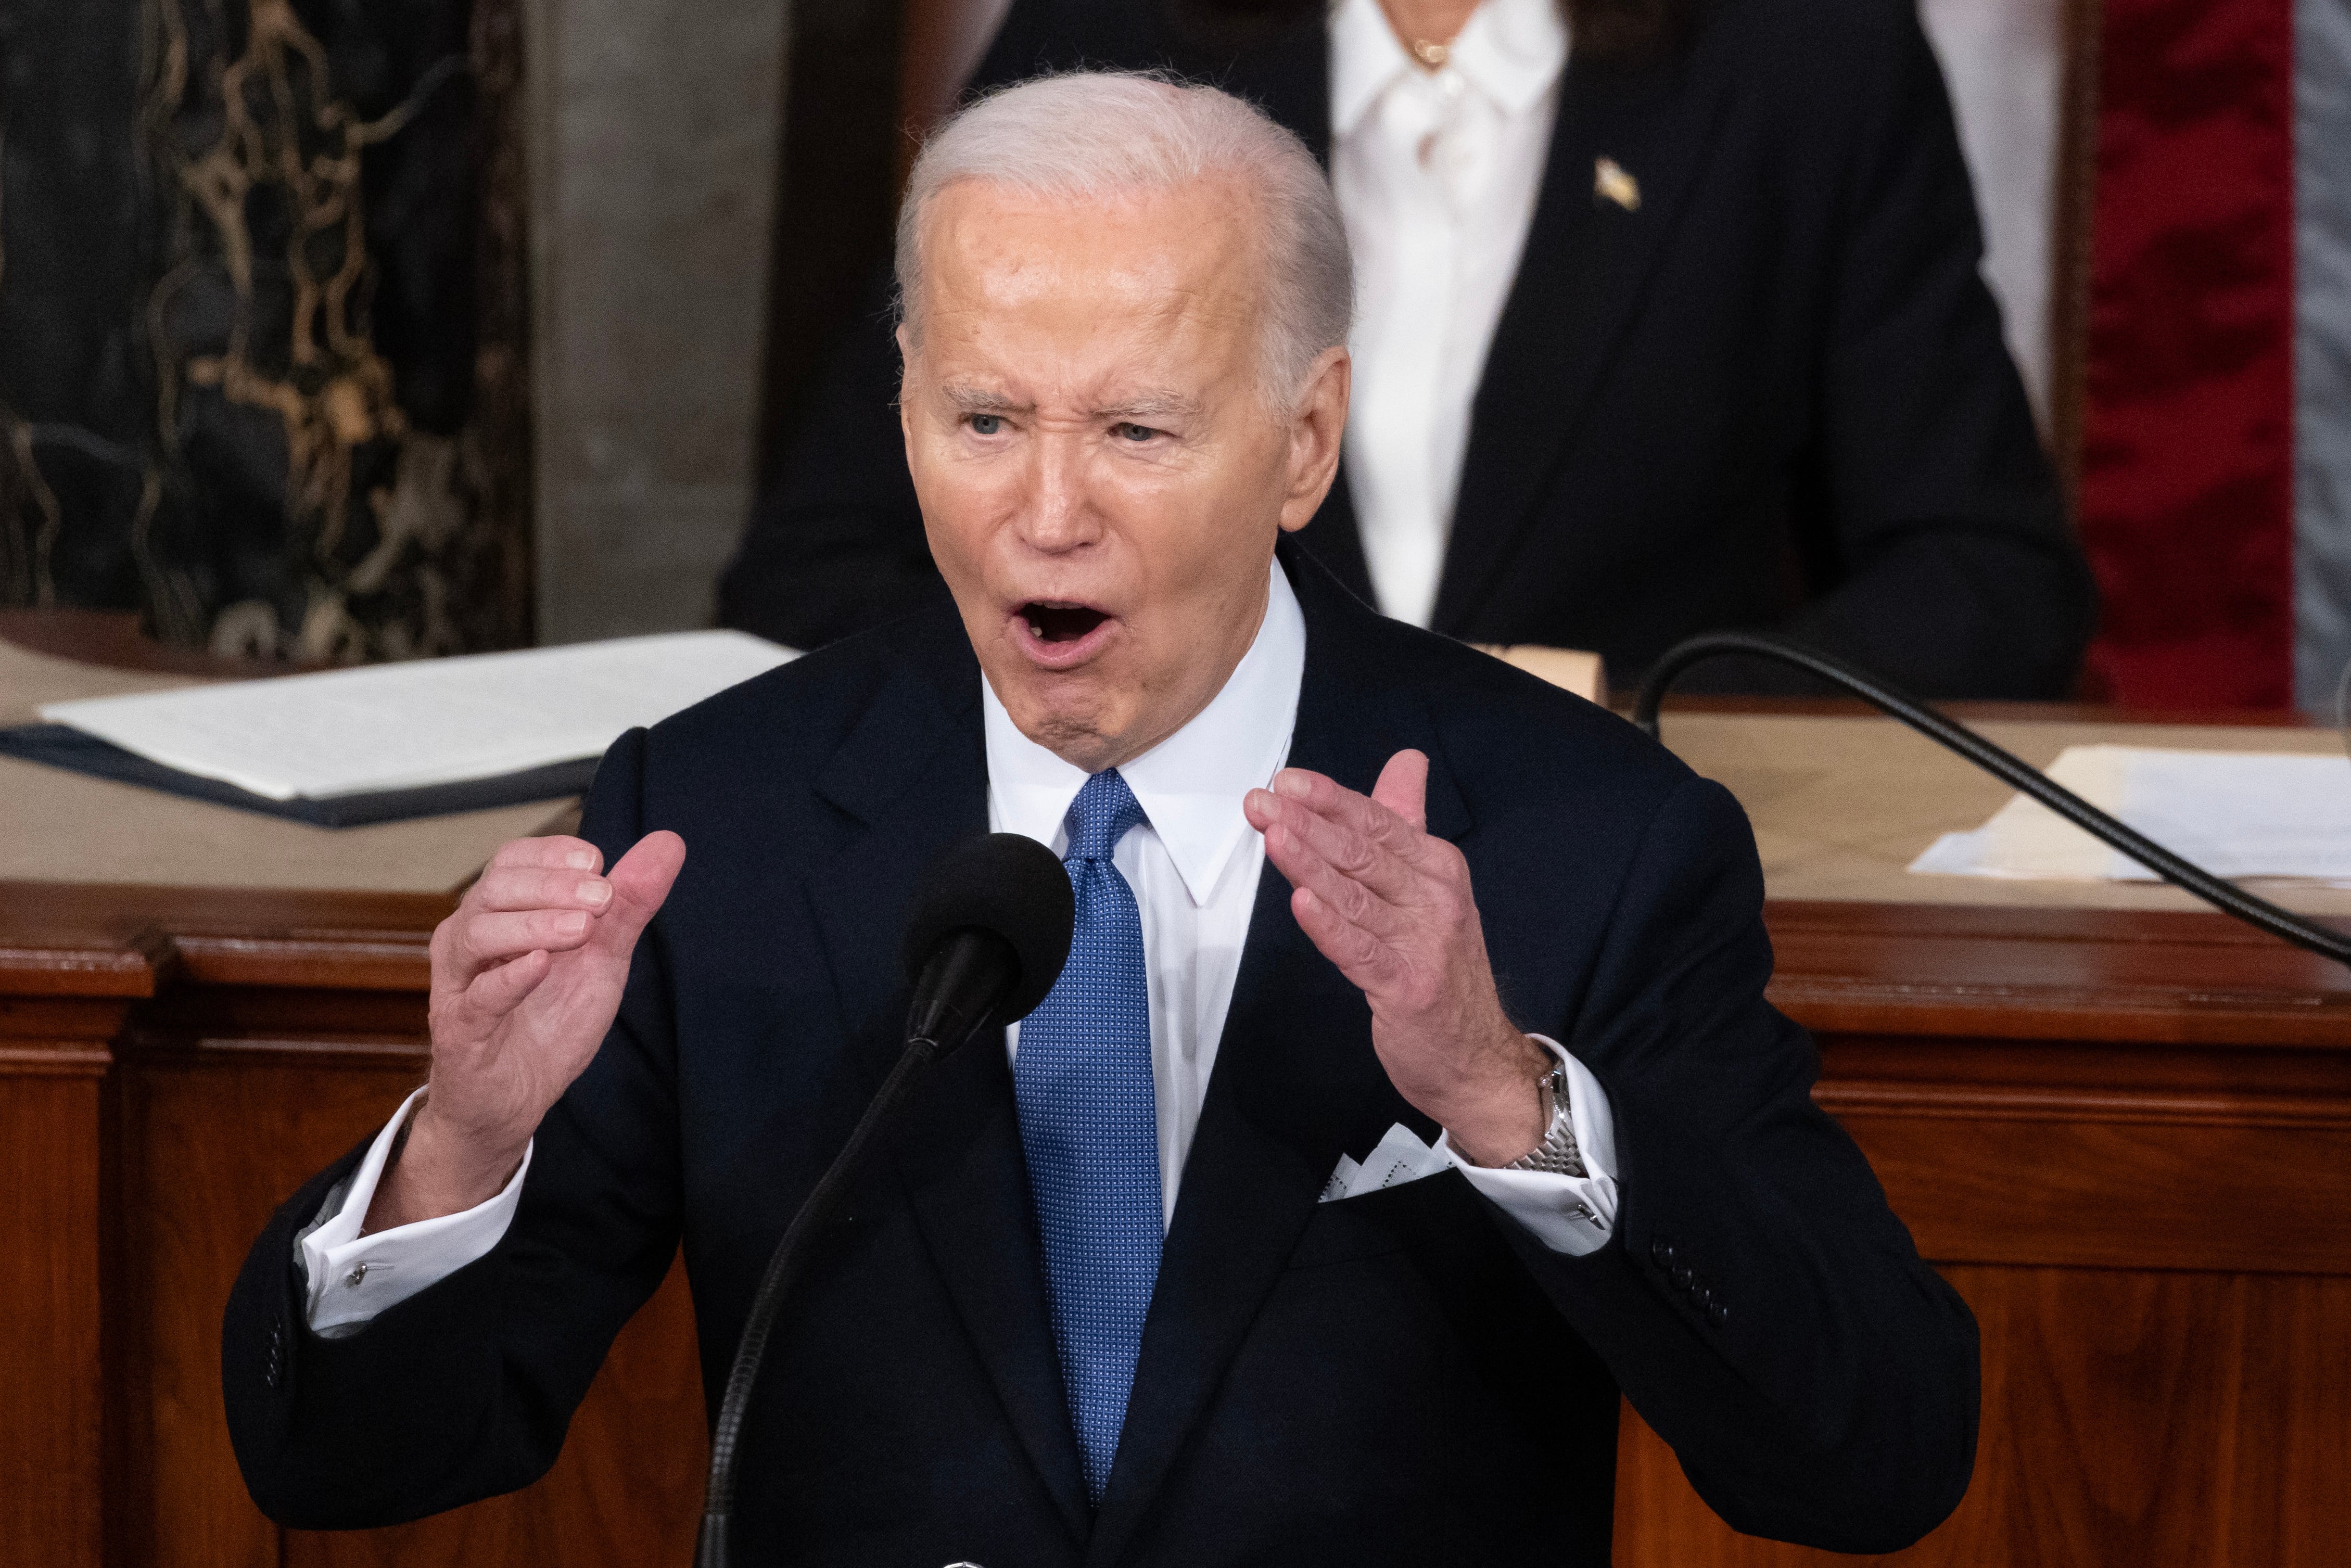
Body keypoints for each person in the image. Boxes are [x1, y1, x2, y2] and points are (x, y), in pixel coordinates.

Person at [224, 75, 1976, 1562]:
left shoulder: (1585, 841)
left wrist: (1507, 1105)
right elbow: (351, 1467)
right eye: (984, 419)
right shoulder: (714, 829)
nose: (1044, 514)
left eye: (1137, 429)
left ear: (1305, 440)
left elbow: (1878, 1451)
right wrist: (455, 1151)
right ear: (904, 404)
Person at [721, 0, 2096, 698]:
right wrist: (1169, 689)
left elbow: (1987, 583)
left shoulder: (1807, 56)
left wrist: (1616, 710)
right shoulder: (1112, 34)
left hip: (1616, 893)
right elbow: (817, 571)